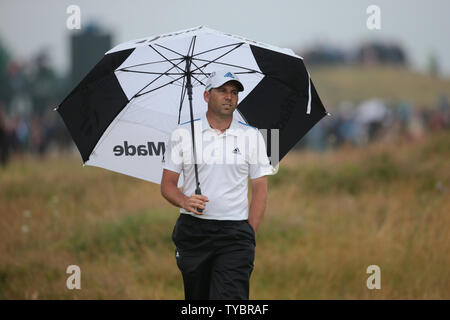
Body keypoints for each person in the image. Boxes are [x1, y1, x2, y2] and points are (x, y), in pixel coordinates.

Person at [160, 70, 274, 300]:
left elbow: (260, 189)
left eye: (233, 92)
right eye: (222, 90)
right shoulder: (183, 133)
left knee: (229, 299)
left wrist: (249, 234)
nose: (229, 96)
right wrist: (185, 200)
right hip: (193, 232)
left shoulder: (251, 136)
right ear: (205, 96)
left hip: (235, 234)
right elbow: (167, 185)